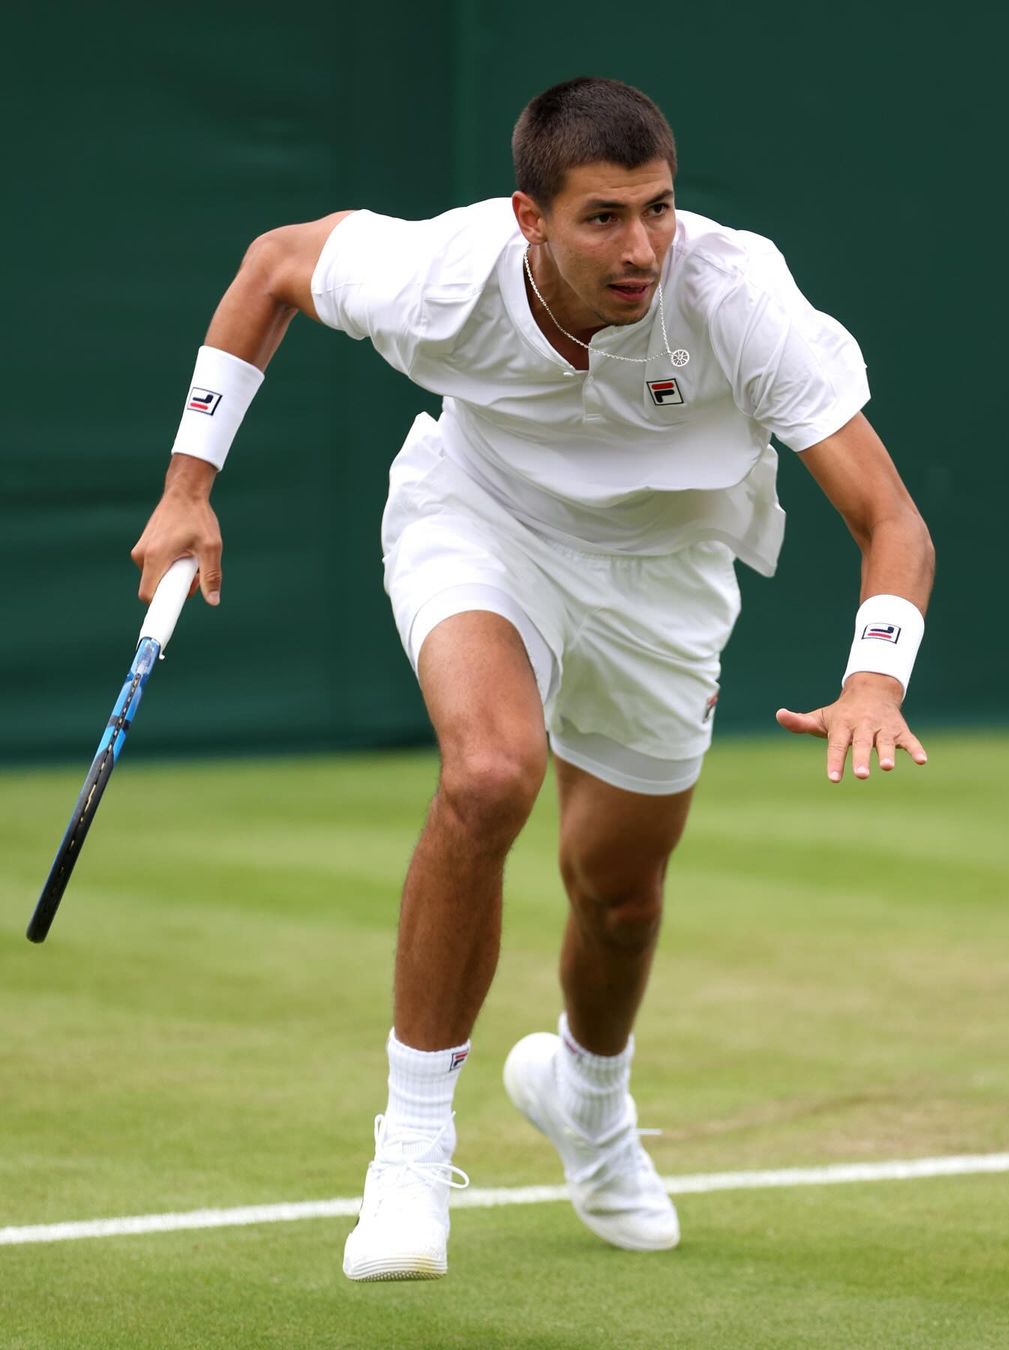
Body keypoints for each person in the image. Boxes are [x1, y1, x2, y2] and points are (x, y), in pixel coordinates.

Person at [132, 76, 934, 1281]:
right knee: (491, 774)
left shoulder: (736, 298)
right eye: (604, 217)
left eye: (659, 209)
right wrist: (188, 487)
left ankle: (587, 1100)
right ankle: (409, 1149)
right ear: (529, 217)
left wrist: (874, 680)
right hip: (482, 524)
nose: (643, 247)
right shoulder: (440, 278)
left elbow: (895, 523)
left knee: (619, 895)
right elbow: (273, 267)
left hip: (664, 582)